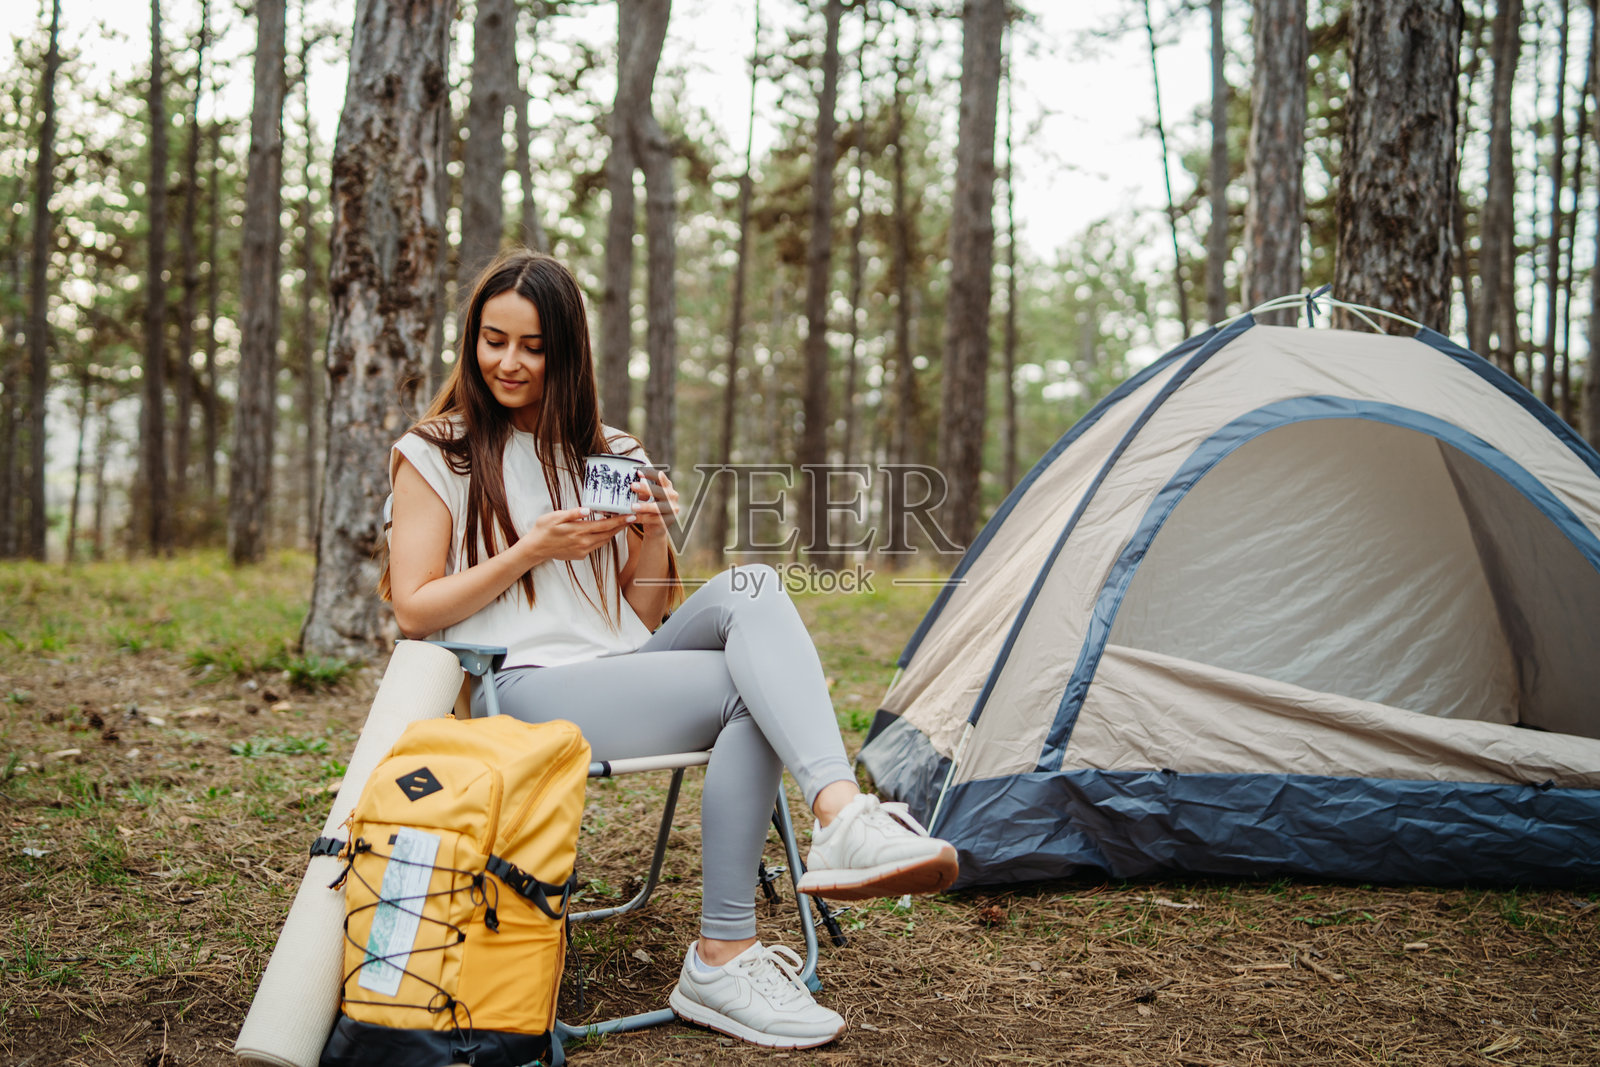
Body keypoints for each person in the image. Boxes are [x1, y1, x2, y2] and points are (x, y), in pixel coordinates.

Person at [382, 249, 958, 1050]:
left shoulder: (608, 451)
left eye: (534, 346)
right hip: (524, 683)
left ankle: (831, 820)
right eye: (493, 339)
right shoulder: (436, 451)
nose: (509, 361)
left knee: (753, 586)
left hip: (622, 666)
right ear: (472, 341)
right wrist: (530, 550)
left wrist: (650, 536)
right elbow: (414, 610)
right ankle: (734, 940)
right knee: (748, 693)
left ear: (567, 352)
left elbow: (640, 612)